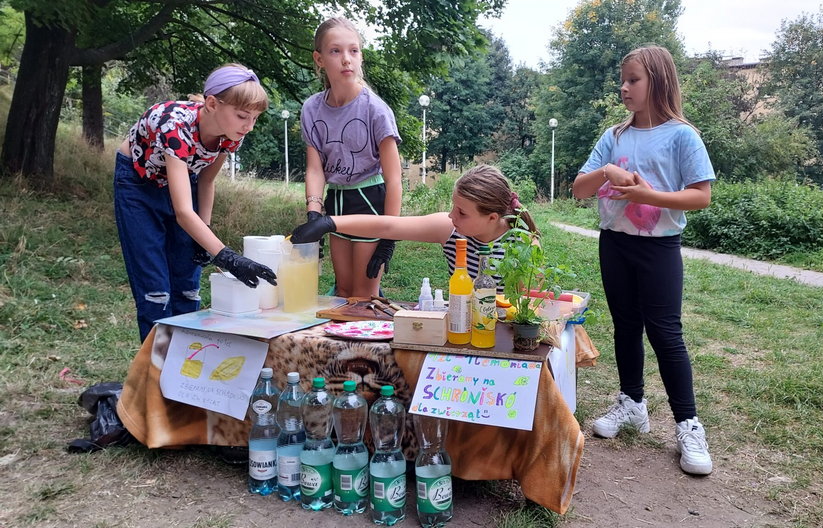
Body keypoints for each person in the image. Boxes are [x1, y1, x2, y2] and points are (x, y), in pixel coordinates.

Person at [572, 46, 715, 476]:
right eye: (623, 79)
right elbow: (580, 188)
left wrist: (645, 194)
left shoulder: (681, 135)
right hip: (615, 243)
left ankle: (688, 425)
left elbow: (701, 195)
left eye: (633, 79)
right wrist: (608, 172)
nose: (624, 87)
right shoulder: (613, 137)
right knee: (625, 326)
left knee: (666, 333)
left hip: (659, 249)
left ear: (658, 80)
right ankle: (632, 402)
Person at [114, 63, 277, 342]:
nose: (249, 127)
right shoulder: (174, 125)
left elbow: (206, 181)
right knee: (156, 291)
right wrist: (226, 257)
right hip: (138, 184)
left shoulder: (230, 135)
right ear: (212, 104)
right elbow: (182, 212)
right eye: (242, 116)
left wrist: (205, 234)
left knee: (188, 285)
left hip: (183, 180)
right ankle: (156, 374)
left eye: (255, 119)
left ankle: (185, 367)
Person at [291, 165, 537, 292]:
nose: (452, 215)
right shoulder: (450, 229)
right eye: (453, 206)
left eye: (462, 212)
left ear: (492, 218)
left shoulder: (523, 245)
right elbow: (389, 226)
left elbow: (528, 306)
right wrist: (328, 223)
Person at [293, 16, 403, 298]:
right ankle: (341, 344)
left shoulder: (375, 109)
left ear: (361, 57)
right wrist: (314, 214)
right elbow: (315, 169)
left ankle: (369, 342)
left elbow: (394, 179)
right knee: (342, 291)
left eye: (353, 51)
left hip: (370, 199)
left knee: (363, 294)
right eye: (335, 51)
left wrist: (389, 237)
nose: (346, 59)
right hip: (337, 200)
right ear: (319, 59)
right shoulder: (311, 108)